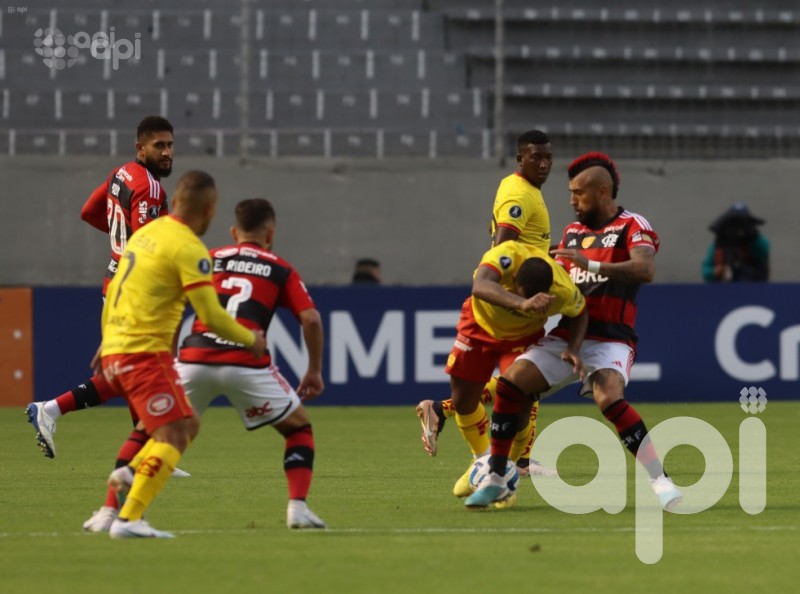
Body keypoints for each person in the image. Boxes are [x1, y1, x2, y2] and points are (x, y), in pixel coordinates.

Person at [465, 152, 683, 511]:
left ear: (602, 192)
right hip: (568, 334)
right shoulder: (572, 233)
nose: (571, 201)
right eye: (569, 192)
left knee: (608, 398)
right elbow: (565, 285)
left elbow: (645, 269)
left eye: (578, 193)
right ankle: (496, 478)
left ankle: (661, 481)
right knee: (511, 382)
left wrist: (592, 263)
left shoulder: (631, 224)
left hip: (612, 336)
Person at [98, 170, 267, 538]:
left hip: (118, 345)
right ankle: (127, 518)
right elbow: (211, 316)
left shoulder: (145, 235)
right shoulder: (188, 247)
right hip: (145, 351)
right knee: (176, 433)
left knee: (183, 424)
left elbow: (115, 289)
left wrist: (106, 339)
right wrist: (250, 338)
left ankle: (126, 484)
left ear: (174, 201)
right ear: (210, 209)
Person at [26, 115, 175, 460]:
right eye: (159, 146)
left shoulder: (120, 174)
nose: (167, 152)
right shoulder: (150, 188)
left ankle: (147, 454)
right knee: (133, 372)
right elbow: (145, 248)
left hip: (114, 282)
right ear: (140, 147)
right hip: (133, 290)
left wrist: (116, 242)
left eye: (170, 145)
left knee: (135, 370)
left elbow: (89, 211)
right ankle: (51, 409)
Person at [416, 129, 554, 477]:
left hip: (523, 302)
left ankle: (511, 462)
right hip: (508, 305)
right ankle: (495, 459)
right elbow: (503, 243)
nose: (543, 163)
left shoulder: (530, 192)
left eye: (547, 157)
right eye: (535, 157)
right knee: (519, 385)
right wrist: (513, 294)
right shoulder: (518, 193)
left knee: (526, 386)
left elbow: (524, 246)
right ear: (520, 158)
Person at [440, 238, 588, 504]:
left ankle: (501, 475)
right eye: (520, 292)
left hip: (522, 338)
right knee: (463, 400)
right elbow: (480, 285)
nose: (523, 299)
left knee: (518, 401)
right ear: (514, 277)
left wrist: (574, 348)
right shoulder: (506, 256)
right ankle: (482, 460)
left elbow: (580, 312)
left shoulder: (563, 288)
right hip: (480, 325)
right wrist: (520, 304)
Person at [702, 203, 769, 282]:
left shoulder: (755, 241)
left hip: (751, 285)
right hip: (725, 286)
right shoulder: (718, 245)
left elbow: (764, 252)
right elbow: (706, 271)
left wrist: (753, 235)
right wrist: (715, 272)